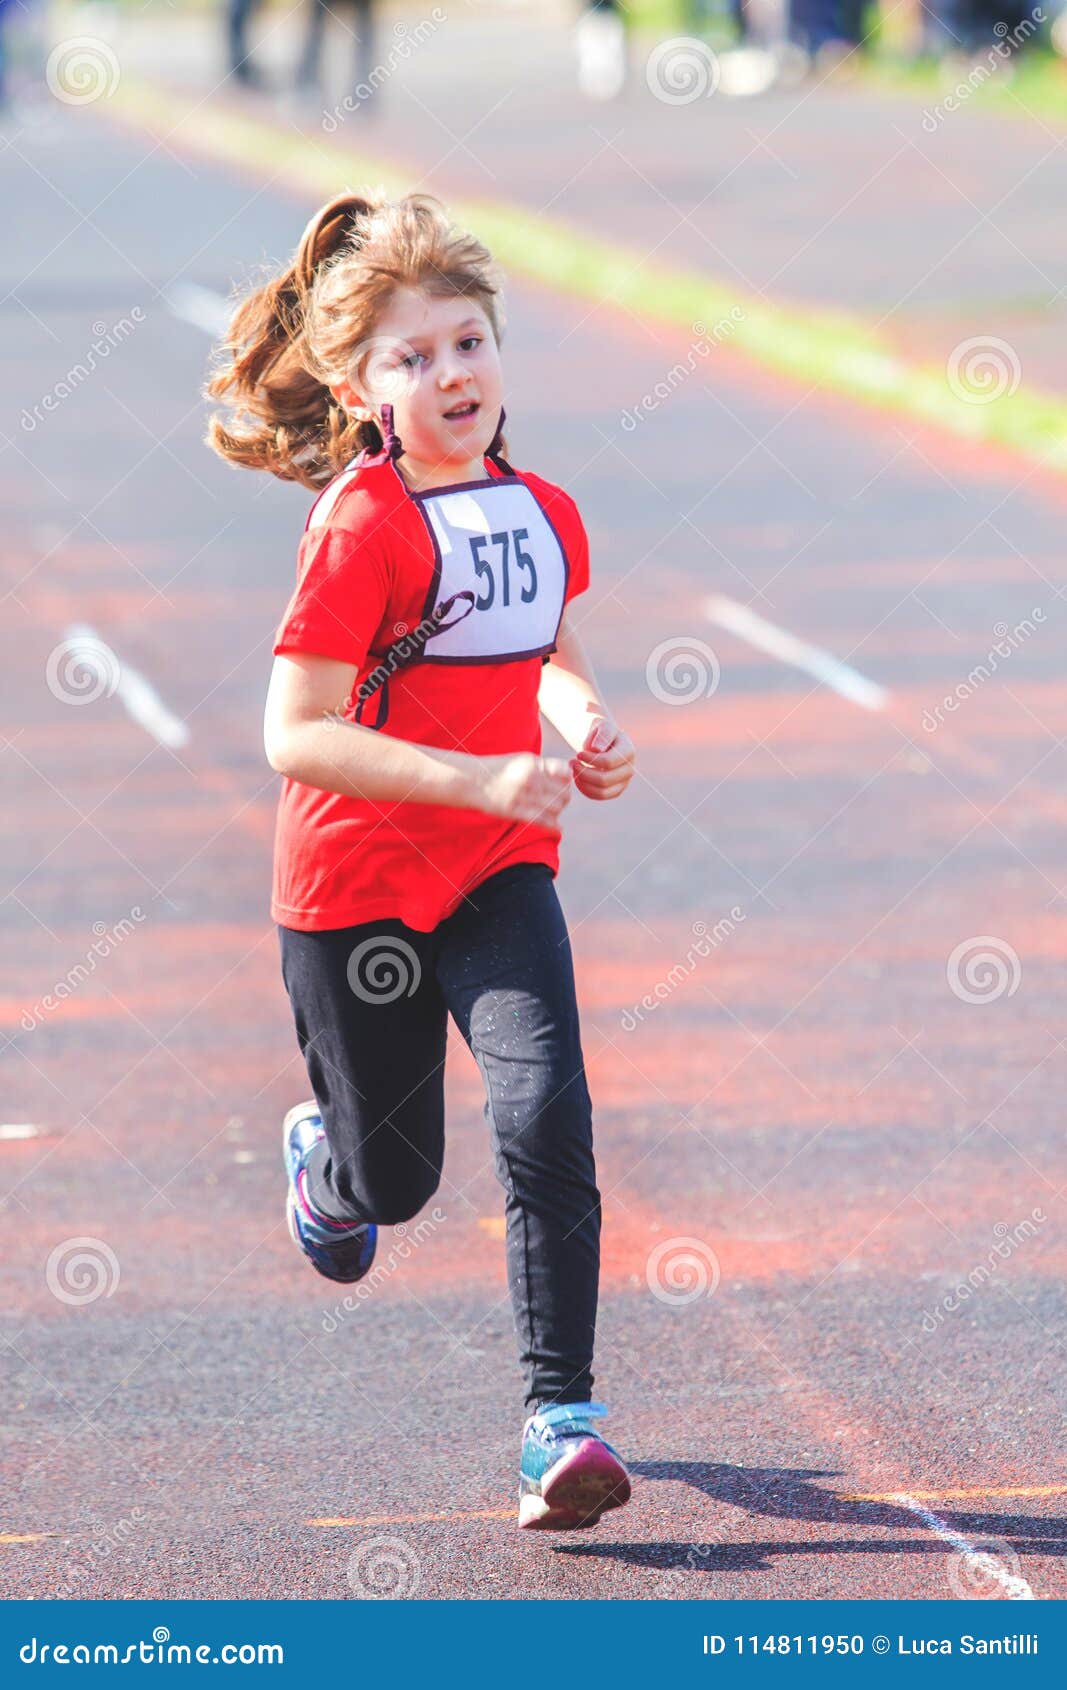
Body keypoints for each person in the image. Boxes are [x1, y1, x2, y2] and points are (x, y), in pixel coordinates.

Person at [203, 191, 636, 1531]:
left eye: (468, 342)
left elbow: (543, 657)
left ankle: (556, 1420)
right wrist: (477, 771)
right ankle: (326, 1159)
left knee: (545, 1112)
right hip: (356, 888)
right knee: (396, 1184)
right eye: (413, 356)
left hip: (500, 868)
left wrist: (583, 723)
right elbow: (296, 733)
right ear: (360, 386)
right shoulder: (362, 525)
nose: (451, 373)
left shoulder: (541, 511)